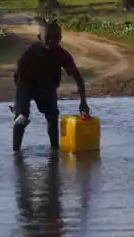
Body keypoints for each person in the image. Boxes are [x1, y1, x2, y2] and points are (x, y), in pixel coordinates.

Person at [12, 20, 89, 152]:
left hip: (47, 88)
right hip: (27, 84)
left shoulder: (62, 55)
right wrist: (20, 103)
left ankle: (55, 151)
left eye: (56, 39)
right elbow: (18, 74)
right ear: (40, 38)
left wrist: (83, 102)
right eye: (48, 38)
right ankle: (16, 152)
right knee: (21, 118)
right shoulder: (31, 52)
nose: (52, 42)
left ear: (60, 39)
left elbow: (77, 77)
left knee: (53, 118)